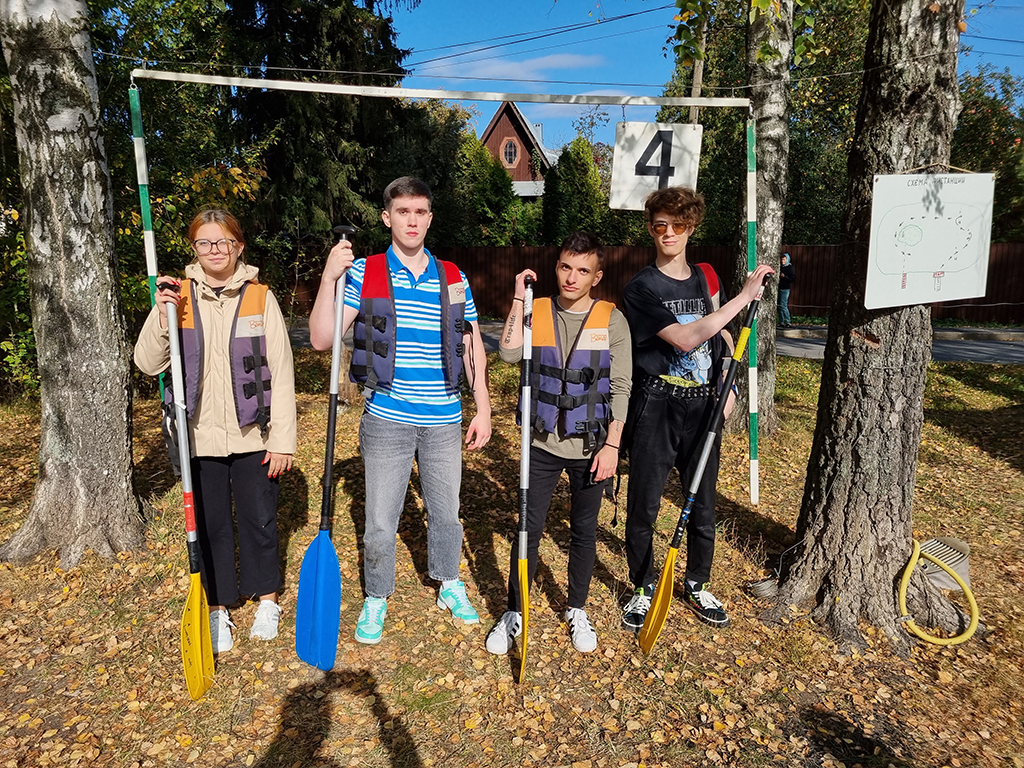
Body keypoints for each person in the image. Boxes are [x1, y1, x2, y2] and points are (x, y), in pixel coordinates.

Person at [308, 176, 491, 645]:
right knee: (380, 519)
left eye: (420, 212)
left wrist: (484, 407)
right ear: (387, 217)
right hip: (387, 417)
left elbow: (471, 344)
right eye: (403, 212)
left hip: (445, 418)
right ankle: (377, 594)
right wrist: (329, 277)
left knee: (447, 512)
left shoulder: (453, 276)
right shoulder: (364, 271)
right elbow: (322, 339)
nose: (412, 221)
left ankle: (448, 580)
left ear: (430, 218)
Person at [135, 208, 297, 653]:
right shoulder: (177, 298)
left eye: (224, 242)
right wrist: (162, 316)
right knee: (211, 527)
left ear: (238, 246)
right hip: (198, 438)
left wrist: (282, 440)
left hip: (254, 434)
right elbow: (147, 363)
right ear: (194, 248)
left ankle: (267, 600)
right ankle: (218, 607)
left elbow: (282, 372)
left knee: (260, 520)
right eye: (205, 242)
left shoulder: (260, 298)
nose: (215, 250)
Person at [619, 187, 773, 631]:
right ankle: (643, 587)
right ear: (651, 229)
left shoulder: (706, 278)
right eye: (660, 225)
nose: (669, 233)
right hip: (657, 404)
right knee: (645, 504)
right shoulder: (641, 288)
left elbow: (720, 335)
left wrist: (729, 386)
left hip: (704, 404)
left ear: (692, 228)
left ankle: (697, 582)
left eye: (679, 225)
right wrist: (744, 298)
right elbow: (686, 339)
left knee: (703, 504)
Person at [486, 232, 632, 655]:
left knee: (583, 531)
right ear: (557, 267)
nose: (572, 277)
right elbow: (508, 354)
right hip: (540, 444)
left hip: (591, 447)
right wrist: (520, 298)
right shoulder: (538, 309)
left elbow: (621, 387)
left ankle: (577, 608)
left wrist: (613, 446)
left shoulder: (612, 320)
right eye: (566, 266)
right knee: (527, 530)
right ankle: (515, 610)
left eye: (583, 270)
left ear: (596, 277)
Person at [778, 252, 795, 328]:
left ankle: (788, 321)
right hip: (779, 287)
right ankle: (781, 321)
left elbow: (792, 279)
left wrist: (784, 277)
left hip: (785, 288)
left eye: (784, 260)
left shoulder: (790, 268)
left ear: (787, 260)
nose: (783, 261)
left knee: (783, 305)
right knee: (779, 306)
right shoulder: (780, 267)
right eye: (782, 260)